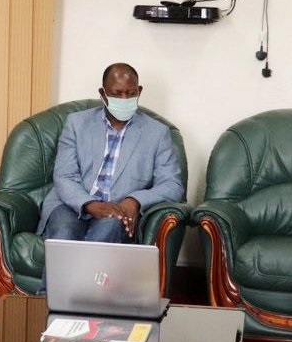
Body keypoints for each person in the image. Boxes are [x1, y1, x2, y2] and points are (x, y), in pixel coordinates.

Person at [37, 63, 183, 244]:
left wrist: (134, 200)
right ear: (103, 93)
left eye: (130, 93)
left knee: (107, 233)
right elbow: (64, 175)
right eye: (116, 93)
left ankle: (88, 274)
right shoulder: (77, 123)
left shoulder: (157, 133)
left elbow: (172, 185)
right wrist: (90, 205)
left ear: (139, 91)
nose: (124, 98)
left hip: (117, 209)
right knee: (63, 233)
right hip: (71, 204)